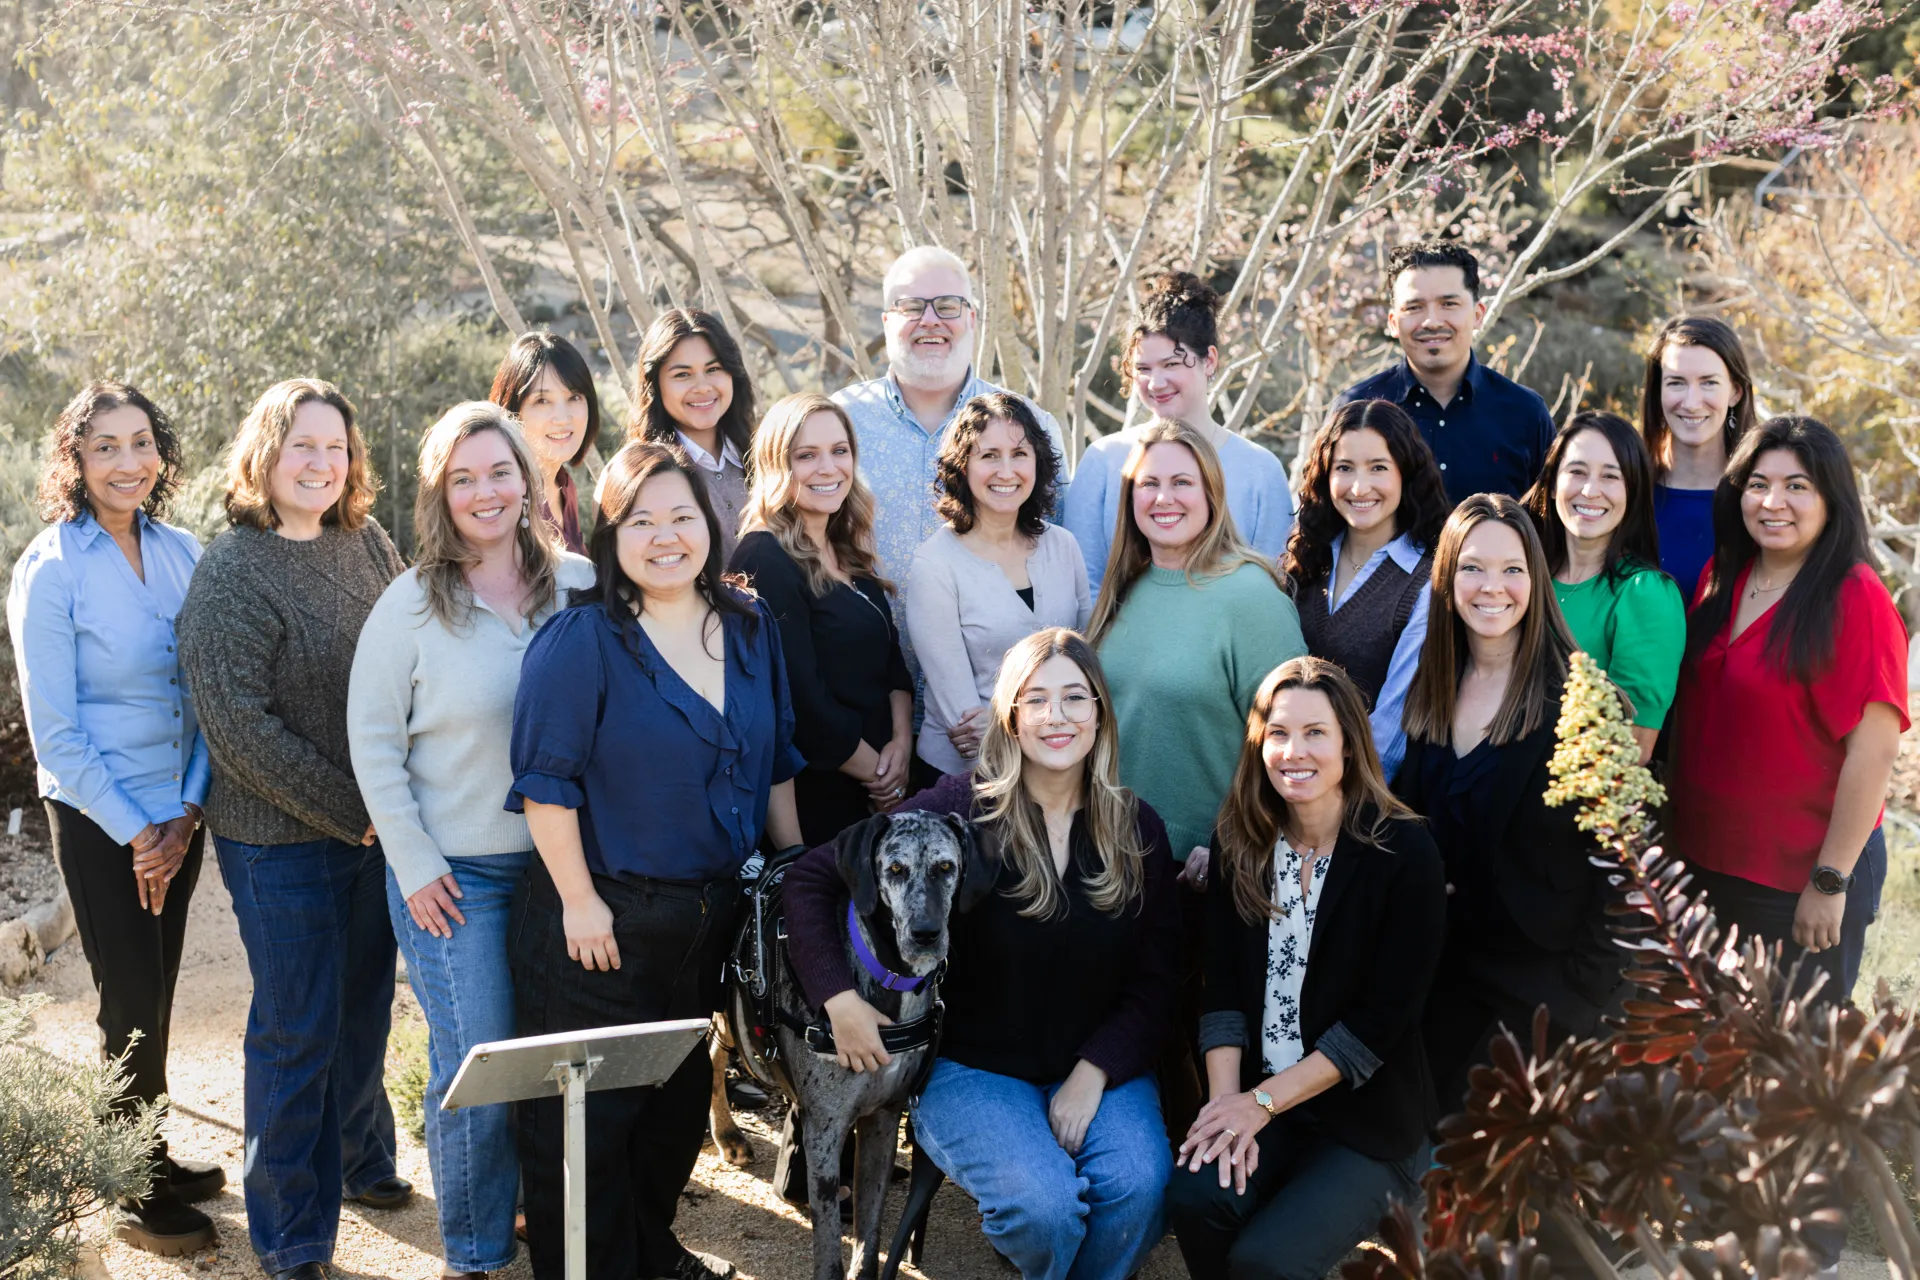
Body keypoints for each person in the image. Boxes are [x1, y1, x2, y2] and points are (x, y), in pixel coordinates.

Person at [783, 628, 1181, 1280]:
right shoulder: (963, 808)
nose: (1057, 717)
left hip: (1099, 1067)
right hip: (974, 1069)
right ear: (1011, 717)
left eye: (1075, 698)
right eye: (1037, 699)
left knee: (1138, 1189)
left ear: (1101, 714)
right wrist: (838, 996)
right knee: (1045, 1210)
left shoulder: (1138, 829)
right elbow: (809, 879)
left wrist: (1095, 1071)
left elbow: (1157, 980)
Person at [506, 441, 805, 1280]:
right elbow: (545, 785)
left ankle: (647, 1255)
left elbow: (776, 761)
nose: (665, 535)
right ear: (612, 535)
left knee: (670, 1115)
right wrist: (578, 900)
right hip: (600, 922)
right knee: (585, 1131)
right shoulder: (583, 640)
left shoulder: (749, 628)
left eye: (682, 516)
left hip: (706, 920)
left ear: (710, 526)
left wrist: (796, 877)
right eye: (642, 519)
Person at [347, 403, 594, 1279]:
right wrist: (414, 866)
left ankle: (556, 1234)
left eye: (499, 472)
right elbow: (373, 743)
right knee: (479, 1071)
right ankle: (477, 1258)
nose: (485, 492)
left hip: (568, 875)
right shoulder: (411, 603)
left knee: (557, 1069)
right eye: (463, 479)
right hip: (456, 876)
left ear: (530, 478)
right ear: (438, 495)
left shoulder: (579, 584)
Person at [176, 379, 410, 1280]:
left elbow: (408, 652)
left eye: (335, 447)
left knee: (362, 1009)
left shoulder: (368, 541)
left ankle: (360, 1159)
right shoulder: (231, 570)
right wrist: (361, 812)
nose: (321, 463)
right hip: (278, 841)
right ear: (263, 456)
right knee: (296, 1025)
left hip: (373, 830)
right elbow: (240, 731)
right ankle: (292, 1234)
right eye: (301, 446)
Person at [6, 382, 224, 1256]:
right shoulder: (51, 567)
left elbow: (209, 700)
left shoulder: (187, 553)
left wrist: (189, 811)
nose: (127, 462)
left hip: (182, 814)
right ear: (75, 459)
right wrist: (142, 832)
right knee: (127, 996)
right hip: (105, 822)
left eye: (141, 443)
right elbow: (55, 732)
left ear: (160, 454)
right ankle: (125, 1189)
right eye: (105, 447)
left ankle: (151, 1151)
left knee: (160, 989)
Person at [1166, 657, 1445, 1280]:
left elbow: (1378, 1026)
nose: (1295, 751)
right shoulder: (1241, 840)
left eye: (1315, 732)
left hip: (1367, 1121)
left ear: (1350, 741)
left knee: (1265, 1263)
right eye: (1279, 733)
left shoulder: (1403, 852)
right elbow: (1223, 996)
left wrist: (1257, 1106)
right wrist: (1224, 1110)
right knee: (1195, 1196)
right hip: (1265, 1101)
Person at [1089, 418, 1305, 1134]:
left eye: (1182, 481)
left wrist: (1235, 836)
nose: (1164, 497)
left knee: (1188, 1042)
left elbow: (1293, 740)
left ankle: (1201, 1183)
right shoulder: (1125, 586)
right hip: (1116, 856)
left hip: (1205, 867)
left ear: (1212, 491)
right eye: (1148, 483)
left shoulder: (1249, 595)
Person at [1670, 416, 1908, 1005]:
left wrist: (1830, 881)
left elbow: (1873, 752)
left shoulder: (1856, 598)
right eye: (1758, 483)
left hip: (1798, 878)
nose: (1774, 502)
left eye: (1797, 485)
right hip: (1701, 865)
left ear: (1831, 499)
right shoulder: (1722, 576)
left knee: (1791, 1072)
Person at [1396, 494, 1615, 1112]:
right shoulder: (1430, 690)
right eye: (1472, 567)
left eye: (1512, 569)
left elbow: (1624, 872)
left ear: (1536, 580)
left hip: (1542, 994)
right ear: (1447, 578)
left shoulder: (1579, 702)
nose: (1492, 586)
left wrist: (1582, 1002)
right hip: (1444, 979)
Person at [831, 245, 1068, 602]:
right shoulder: (841, 420)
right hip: (862, 652)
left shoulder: (1032, 426)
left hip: (995, 654)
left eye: (947, 306)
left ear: (971, 319)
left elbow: (1057, 546)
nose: (930, 320)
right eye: (911, 307)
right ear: (886, 321)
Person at [731, 392, 914, 844]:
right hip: (820, 800)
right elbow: (801, 700)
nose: (829, 468)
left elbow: (893, 663)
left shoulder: (847, 547)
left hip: (886, 789)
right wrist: (880, 775)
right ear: (778, 464)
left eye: (840, 451)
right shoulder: (763, 557)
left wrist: (902, 747)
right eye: (806, 456)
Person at [1062, 271, 1295, 595]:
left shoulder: (1260, 469)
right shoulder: (1103, 460)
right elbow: (1081, 584)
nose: (1156, 383)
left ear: (1209, 360)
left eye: (1171, 364)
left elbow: (1274, 586)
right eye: (1144, 369)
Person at [906, 392, 1091, 776]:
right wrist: (1057, 722)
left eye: (1020, 454)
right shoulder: (935, 564)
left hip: (1058, 769)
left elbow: (1087, 665)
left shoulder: (1063, 546)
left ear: (1038, 463)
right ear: (962, 467)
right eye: (989, 455)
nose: (1006, 471)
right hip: (966, 777)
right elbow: (966, 724)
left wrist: (1007, 720)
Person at [1283, 399, 1450, 780]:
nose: (1360, 487)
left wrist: (1326, 801)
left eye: (1378, 468)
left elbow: (1392, 728)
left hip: (1359, 799)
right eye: (1344, 468)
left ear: (1405, 474)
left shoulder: (1427, 583)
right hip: (1278, 778)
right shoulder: (1303, 557)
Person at [1335, 241, 1555, 503]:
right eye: (1414, 307)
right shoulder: (1355, 408)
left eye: (1449, 304)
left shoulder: (1526, 413)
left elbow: (1550, 524)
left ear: (1477, 314)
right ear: (1393, 322)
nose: (1432, 321)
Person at [1523, 411, 1685, 761]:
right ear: (1552, 484)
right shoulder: (1522, 577)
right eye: (1577, 472)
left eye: (1610, 477)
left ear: (1633, 492)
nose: (1590, 491)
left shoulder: (1645, 594)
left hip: (1570, 802)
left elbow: (1631, 750)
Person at [1640, 316, 1759, 598]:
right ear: (1658, 391)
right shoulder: (1625, 490)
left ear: (1736, 392)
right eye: (1677, 383)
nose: (1692, 403)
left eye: (1708, 383)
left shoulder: (1762, 499)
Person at [627, 308, 757, 562]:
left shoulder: (764, 455)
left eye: (713, 369)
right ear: (655, 385)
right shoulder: (636, 474)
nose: (702, 387)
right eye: (682, 375)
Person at [488, 330, 605, 554]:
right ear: (512, 411)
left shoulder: (564, 485)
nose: (562, 418)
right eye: (542, 401)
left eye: (574, 398)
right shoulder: (503, 501)